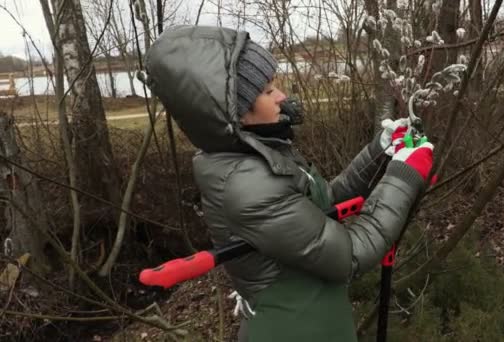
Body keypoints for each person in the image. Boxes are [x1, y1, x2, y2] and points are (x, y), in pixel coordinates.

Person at [144, 25, 434, 342]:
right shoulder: (246, 185)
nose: (281, 96)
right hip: (294, 330)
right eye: (268, 91)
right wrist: (403, 175)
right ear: (236, 114)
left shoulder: (258, 154)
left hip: (319, 320)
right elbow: (350, 253)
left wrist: (380, 152)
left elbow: (323, 208)